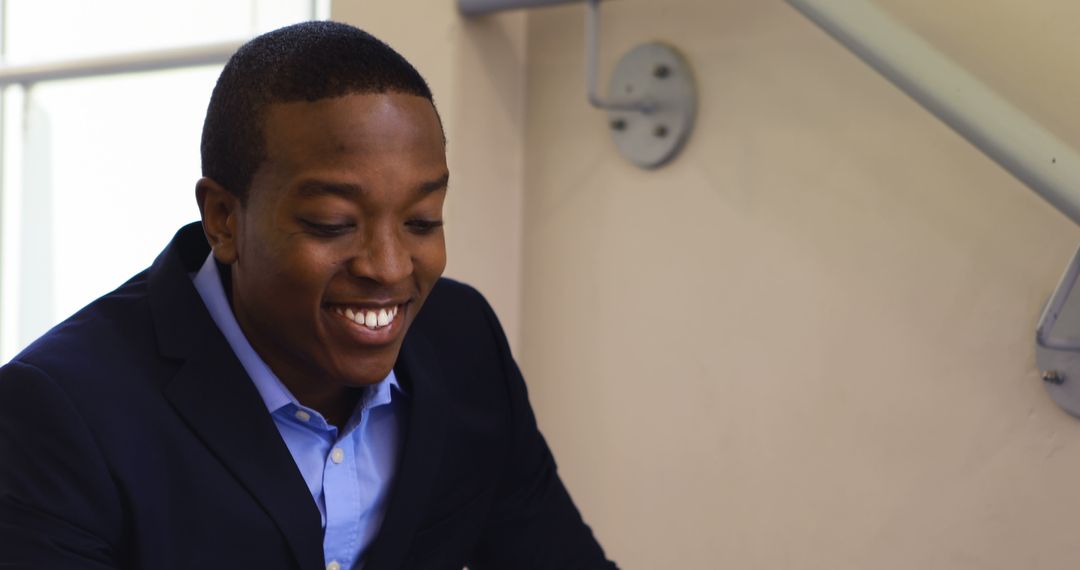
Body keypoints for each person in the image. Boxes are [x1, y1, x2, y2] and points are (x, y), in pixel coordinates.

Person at [0, 21, 617, 570]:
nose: (389, 266)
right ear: (223, 219)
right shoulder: (58, 412)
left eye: (422, 221)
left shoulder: (462, 342)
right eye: (332, 224)